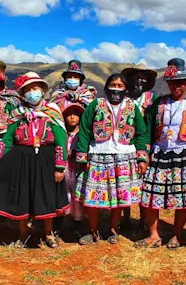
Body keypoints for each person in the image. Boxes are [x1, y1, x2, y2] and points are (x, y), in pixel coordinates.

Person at [0, 72, 69, 249]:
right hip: (22, 159)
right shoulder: (17, 114)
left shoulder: (52, 112)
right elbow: (7, 141)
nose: (32, 92)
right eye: (28, 89)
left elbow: (61, 140)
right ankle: (23, 235)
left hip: (46, 159)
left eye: (35, 88)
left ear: (42, 91)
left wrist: (60, 167)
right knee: (23, 196)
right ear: (23, 94)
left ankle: (48, 234)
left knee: (46, 196)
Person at [136, 58, 186, 249]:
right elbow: (146, 131)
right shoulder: (158, 104)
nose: (176, 86)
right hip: (160, 155)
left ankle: (176, 235)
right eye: (172, 82)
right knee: (151, 196)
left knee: (183, 198)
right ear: (167, 83)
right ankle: (154, 235)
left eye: (180, 82)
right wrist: (143, 156)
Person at [74, 73, 149, 245]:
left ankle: (112, 230)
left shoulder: (131, 107)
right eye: (113, 85)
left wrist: (141, 157)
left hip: (124, 156)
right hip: (98, 155)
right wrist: (82, 157)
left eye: (120, 86)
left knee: (118, 197)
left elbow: (141, 133)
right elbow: (85, 130)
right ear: (107, 87)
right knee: (92, 198)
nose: (116, 89)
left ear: (125, 89)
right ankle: (93, 231)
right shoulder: (96, 105)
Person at [121, 65, 158, 230]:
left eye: (144, 79)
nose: (140, 81)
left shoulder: (152, 100)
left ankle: (144, 219)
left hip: (147, 146)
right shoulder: (122, 98)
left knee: (145, 184)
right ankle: (125, 218)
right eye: (137, 78)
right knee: (124, 182)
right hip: (125, 145)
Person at [62, 102, 86, 236]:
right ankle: (60, 221)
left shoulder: (82, 134)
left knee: (77, 194)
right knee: (63, 192)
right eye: (69, 114)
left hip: (76, 168)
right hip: (64, 168)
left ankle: (77, 223)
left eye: (75, 115)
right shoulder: (61, 133)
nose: (72, 117)